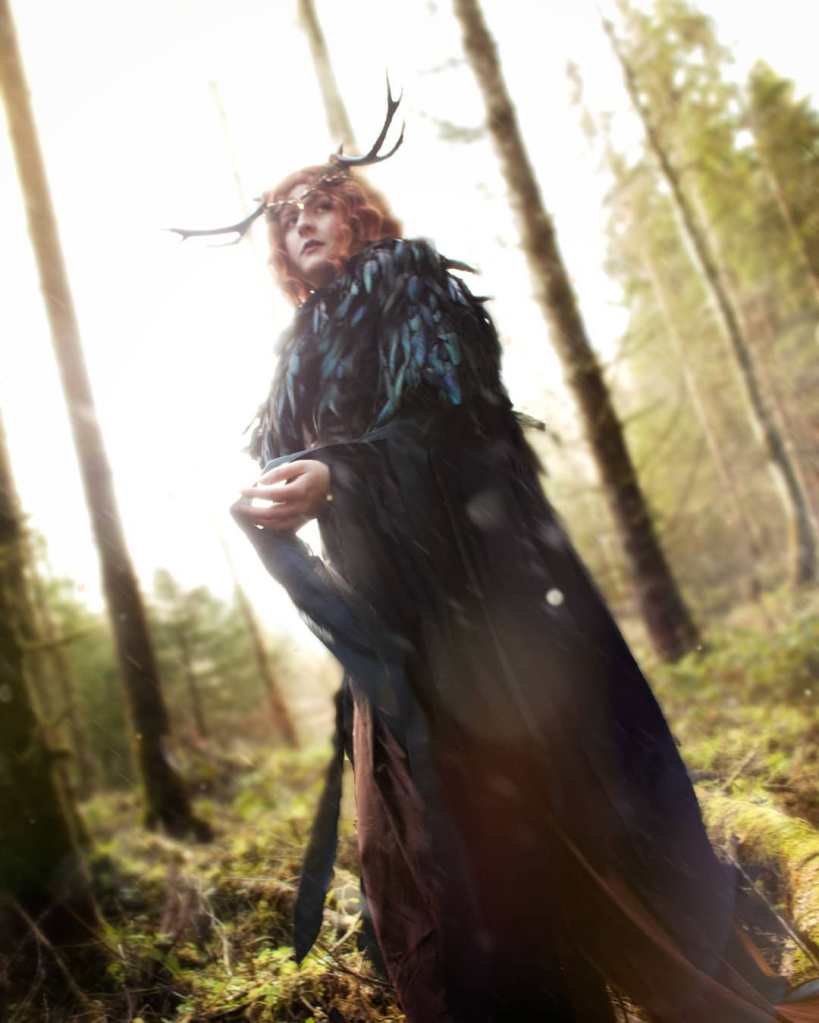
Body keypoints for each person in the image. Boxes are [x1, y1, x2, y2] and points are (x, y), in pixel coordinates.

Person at [173, 96, 819, 1021]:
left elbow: (457, 424)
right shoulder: (301, 354)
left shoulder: (409, 284)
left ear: (358, 215)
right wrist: (276, 498)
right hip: (396, 632)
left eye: (317, 202)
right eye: (283, 216)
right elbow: (308, 463)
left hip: (492, 608)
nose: (299, 221)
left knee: (581, 821)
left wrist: (340, 471)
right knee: (446, 868)